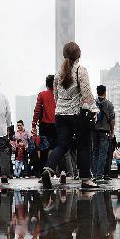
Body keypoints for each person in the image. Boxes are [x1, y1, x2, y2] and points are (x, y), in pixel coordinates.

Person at [42, 42, 99, 190]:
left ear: (64, 55)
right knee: (84, 146)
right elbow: (86, 92)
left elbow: (55, 95)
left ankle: (48, 169)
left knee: (62, 145)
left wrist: (62, 107)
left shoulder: (58, 74)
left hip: (60, 115)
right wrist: (94, 109)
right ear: (79, 55)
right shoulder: (81, 70)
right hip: (77, 114)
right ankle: (86, 179)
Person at [32, 75, 58, 173]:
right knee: (57, 148)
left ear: (46, 84)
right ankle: (56, 171)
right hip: (57, 125)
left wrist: (34, 124)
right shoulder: (58, 96)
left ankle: (43, 171)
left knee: (44, 149)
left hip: (44, 125)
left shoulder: (42, 95)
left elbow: (37, 110)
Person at [92, 84, 115, 183]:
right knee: (103, 153)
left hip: (94, 131)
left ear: (97, 92)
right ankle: (99, 175)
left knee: (95, 152)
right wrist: (112, 131)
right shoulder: (109, 104)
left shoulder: (93, 103)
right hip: (104, 131)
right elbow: (112, 119)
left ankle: (94, 173)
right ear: (105, 92)